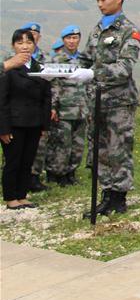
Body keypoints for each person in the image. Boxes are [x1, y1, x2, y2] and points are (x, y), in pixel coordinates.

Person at [70, 0, 140, 216]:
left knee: (117, 149)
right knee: (99, 150)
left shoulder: (129, 31)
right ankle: (106, 193)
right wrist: (69, 70)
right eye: (98, 1)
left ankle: (118, 197)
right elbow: (85, 58)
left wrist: (93, 73)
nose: (100, 5)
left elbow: (124, 68)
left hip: (119, 102)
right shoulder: (98, 29)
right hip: (97, 100)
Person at [0, 29, 52, 210]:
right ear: (13, 45)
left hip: (34, 122)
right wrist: (3, 128)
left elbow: (47, 97)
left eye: (28, 42)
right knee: (13, 161)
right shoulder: (8, 68)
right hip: (14, 123)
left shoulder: (39, 67)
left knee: (27, 160)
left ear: (34, 44)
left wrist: (45, 124)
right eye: (20, 42)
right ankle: (10, 197)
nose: (24, 46)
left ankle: (22, 195)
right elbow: (2, 100)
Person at [46, 25, 90, 187]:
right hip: (63, 110)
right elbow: (52, 85)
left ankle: (71, 173)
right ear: (63, 40)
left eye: (75, 38)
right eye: (68, 38)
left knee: (78, 145)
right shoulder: (55, 60)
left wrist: (90, 107)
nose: (72, 41)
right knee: (61, 144)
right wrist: (52, 107)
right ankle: (57, 174)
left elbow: (89, 84)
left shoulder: (84, 59)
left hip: (81, 109)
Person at [20, 22, 50, 193]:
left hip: (38, 109)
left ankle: (34, 177)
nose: (33, 36)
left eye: (35, 34)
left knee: (39, 144)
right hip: (20, 110)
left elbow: (49, 86)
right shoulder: (12, 58)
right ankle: (15, 181)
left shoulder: (44, 58)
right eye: (29, 33)